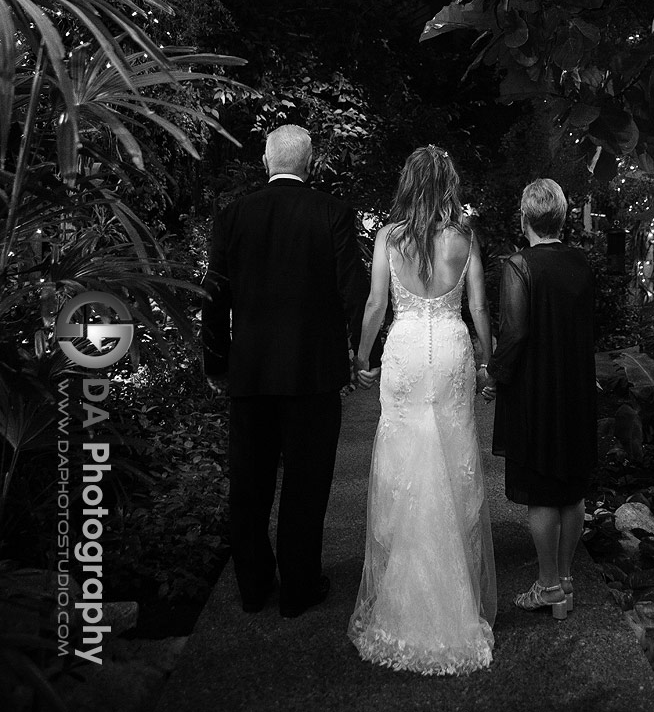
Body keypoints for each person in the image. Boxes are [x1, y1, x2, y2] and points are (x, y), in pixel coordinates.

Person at [202, 124, 374, 618]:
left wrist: (217, 364)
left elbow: (213, 299)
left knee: (248, 486)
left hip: (250, 374)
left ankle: (254, 586)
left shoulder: (232, 216)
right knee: (307, 484)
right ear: (311, 162)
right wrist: (359, 356)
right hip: (313, 374)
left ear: (265, 161)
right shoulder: (332, 212)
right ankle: (299, 587)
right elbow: (353, 292)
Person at [348, 146, 497, 675]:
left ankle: (403, 593)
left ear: (408, 182)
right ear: (450, 183)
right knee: (454, 454)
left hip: (407, 349)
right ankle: (453, 592)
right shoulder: (465, 236)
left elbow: (375, 305)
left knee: (404, 457)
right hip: (452, 348)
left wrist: (361, 356)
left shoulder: (389, 237)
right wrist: (486, 362)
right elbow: (478, 306)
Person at [481, 178, 597, 618]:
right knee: (571, 488)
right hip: (576, 389)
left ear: (525, 217)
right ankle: (565, 581)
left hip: (537, 392)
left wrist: (493, 376)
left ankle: (548, 585)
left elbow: (515, 334)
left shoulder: (518, 265)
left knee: (542, 493)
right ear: (563, 216)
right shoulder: (582, 264)